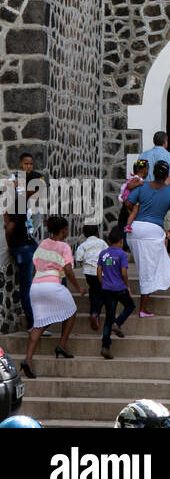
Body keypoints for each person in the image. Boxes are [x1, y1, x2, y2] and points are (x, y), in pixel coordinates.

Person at [19, 216, 84, 379]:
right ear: (63, 231)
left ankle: (28, 359)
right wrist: (78, 287)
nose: (68, 232)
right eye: (67, 229)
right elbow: (68, 271)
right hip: (52, 284)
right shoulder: (64, 246)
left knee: (38, 324)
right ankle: (61, 345)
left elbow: (35, 267)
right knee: (72, 311)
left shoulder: (42, 244)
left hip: (36, 287)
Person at [123, 160, 170, 317]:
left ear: (153, 173)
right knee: (149, 271)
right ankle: (142, 309)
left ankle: (134, 292)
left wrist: (133, 213)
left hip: (134, 230)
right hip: (152, 232)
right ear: (167, 175)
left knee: (147, 268)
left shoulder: (142, 186)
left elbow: (128, 202)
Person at [3, 153, 42, 328]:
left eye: (31, 164)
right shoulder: (20, 201)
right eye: (25, 164)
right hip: (22, 247)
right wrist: (10, 244)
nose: (29, 166)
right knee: (27, 287)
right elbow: (10, 226)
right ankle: (33, 323)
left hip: (28, 243)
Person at [97, 228, 135, 360]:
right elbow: (124, 273)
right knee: (130, 306)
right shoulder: (122, 254)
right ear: (121, 241)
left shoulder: (103, 253)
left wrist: (103, 283)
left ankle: (105, 347)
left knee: (108, 318)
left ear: (108, 241)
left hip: (107, 290)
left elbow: (99, 271)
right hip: (120, 288)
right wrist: (127, 286)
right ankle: (118, 324)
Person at [74, 223, 108, 331]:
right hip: (100, 272)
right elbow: (108, 256)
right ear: (97, 233)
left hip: (88, 272)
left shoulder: (83, 245)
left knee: (93, 290)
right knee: (102, 292)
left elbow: (78, 259)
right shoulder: (102, 243)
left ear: (84, 234)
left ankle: (92, 311)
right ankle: (95, 312)